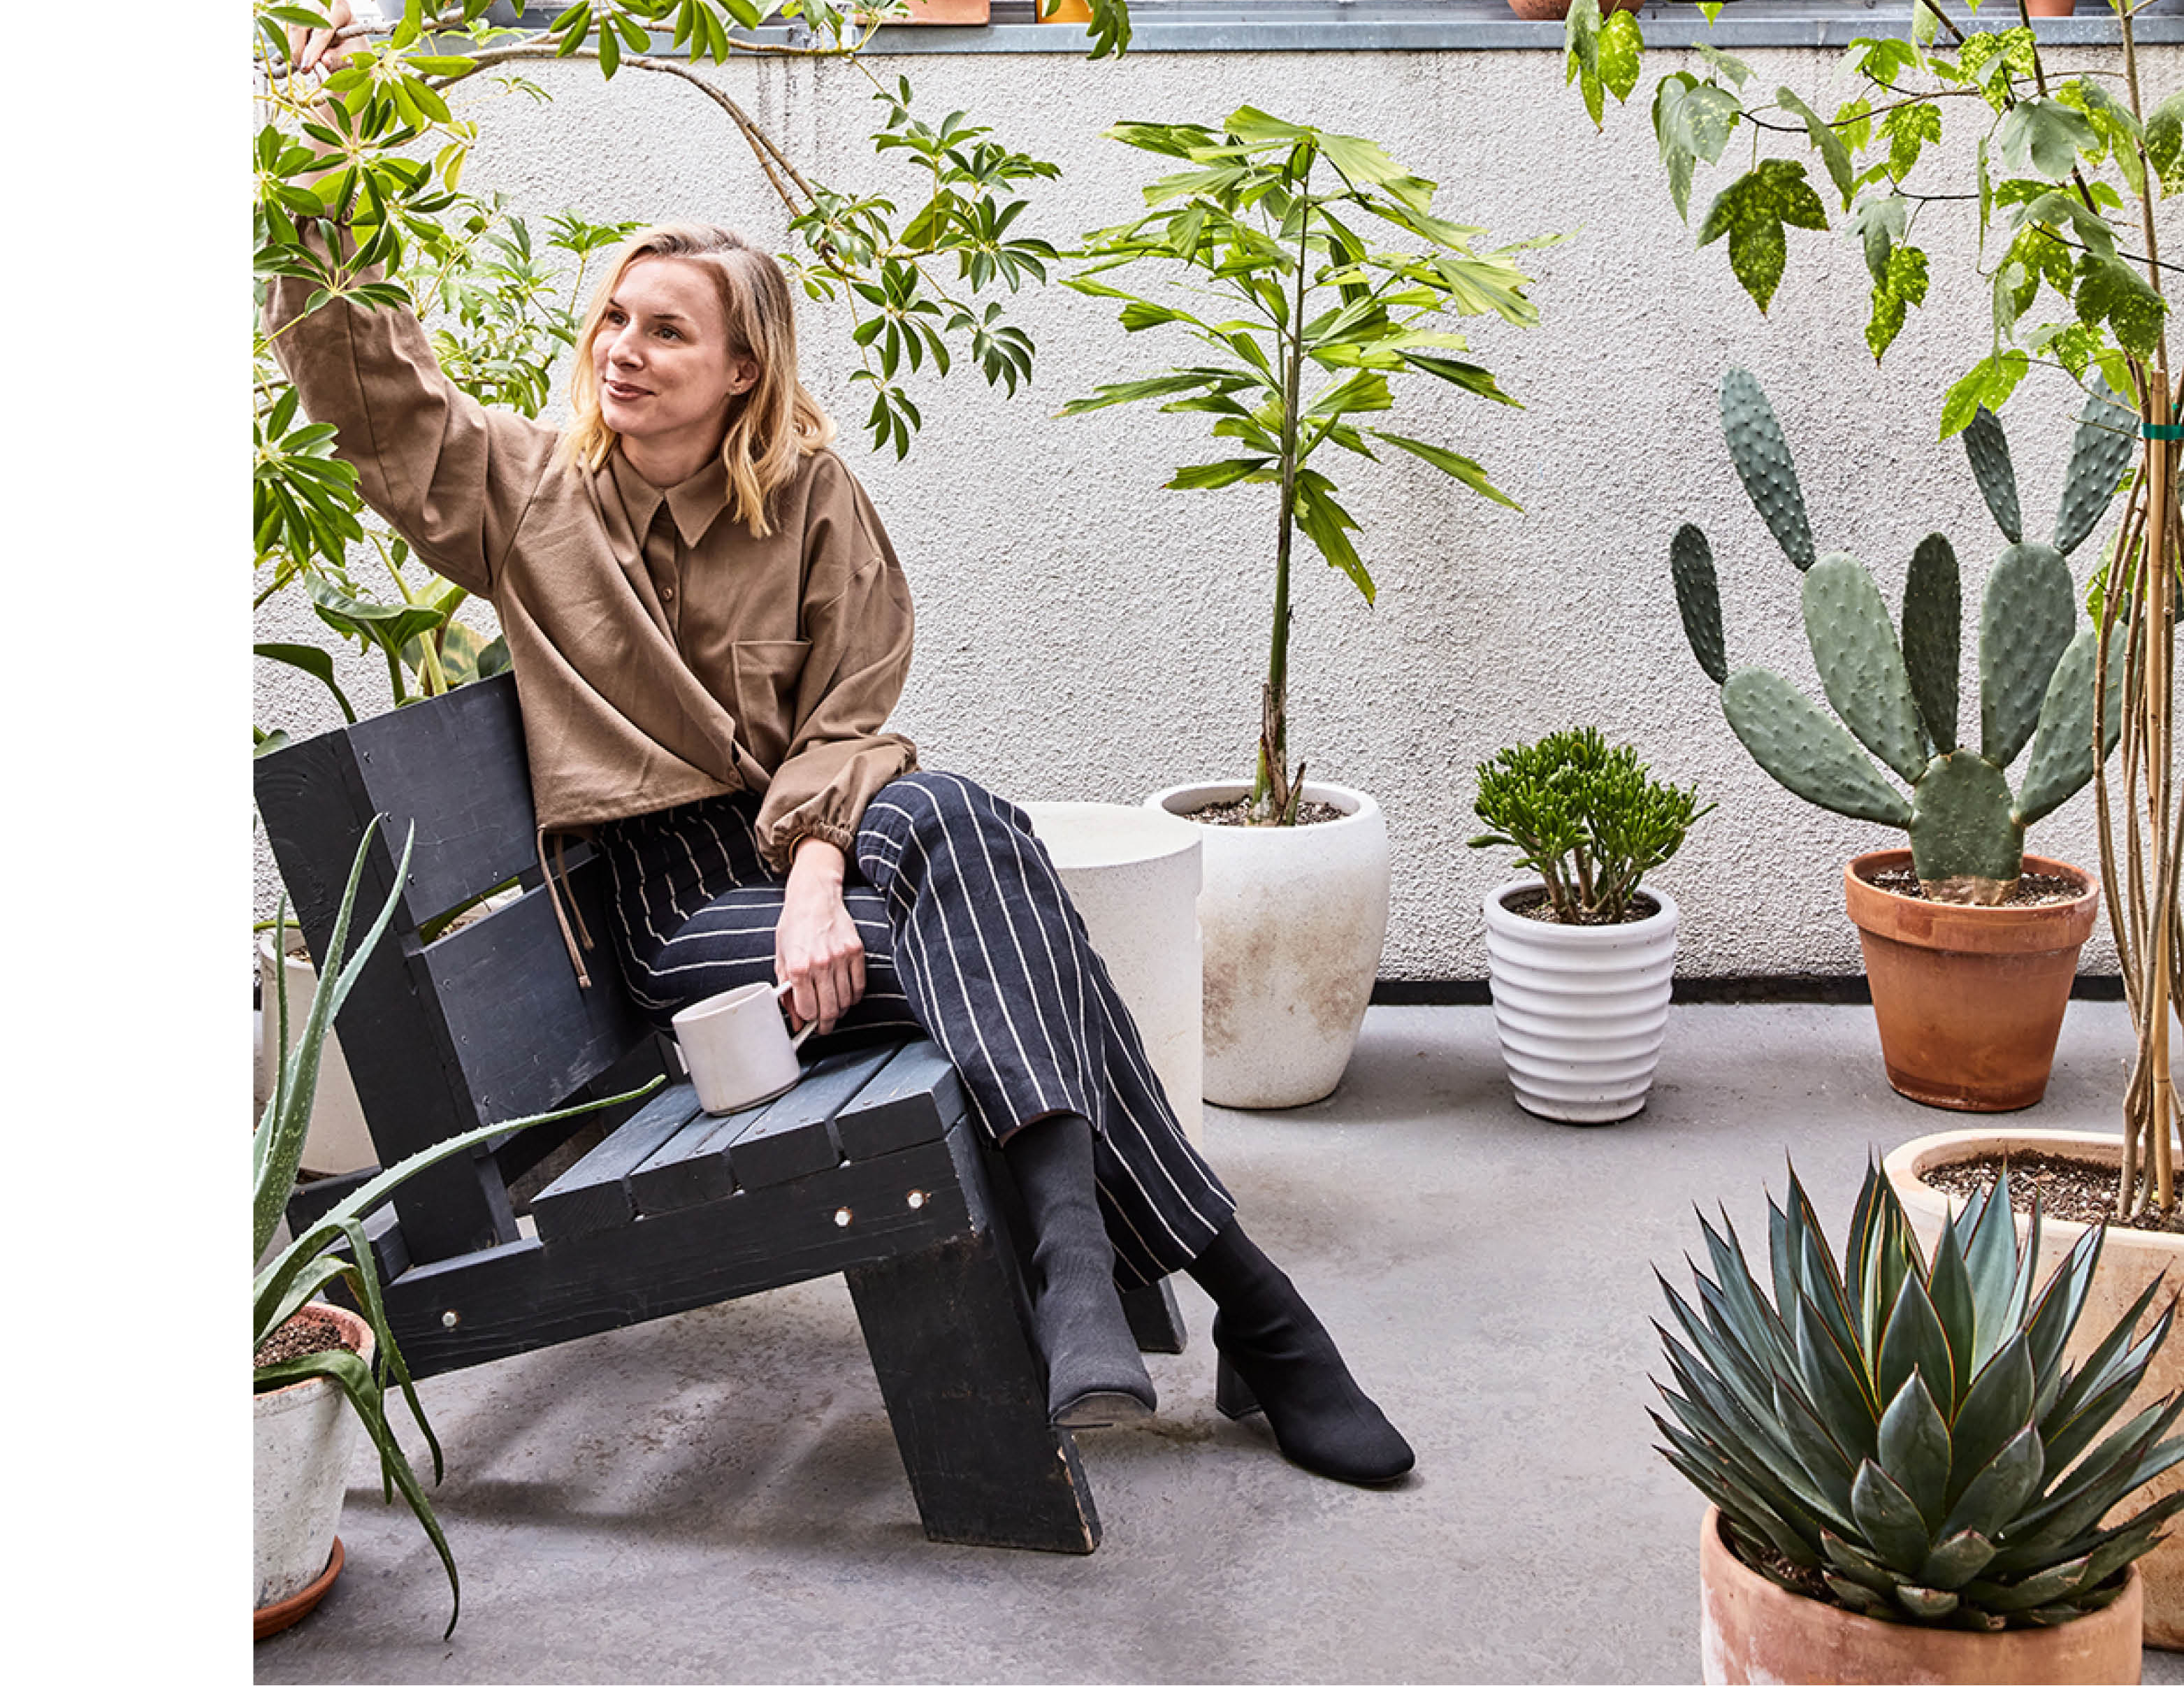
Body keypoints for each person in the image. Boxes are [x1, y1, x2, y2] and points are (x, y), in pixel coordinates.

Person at [264, 215, 1413, 1485]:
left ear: (744, 365)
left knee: (950, 815)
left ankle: (1109, 1262)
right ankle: (1234, 1300)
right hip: (678, 917)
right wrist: (330, 176)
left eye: (665, 330)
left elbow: (854, 720)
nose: (622, 352)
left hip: (813, 868)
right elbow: (376, 401)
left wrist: (816, 873)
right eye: (614, 319)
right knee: (1008, 939)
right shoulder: (526, 496)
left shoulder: (812, 501)